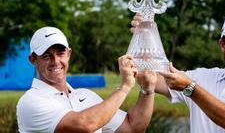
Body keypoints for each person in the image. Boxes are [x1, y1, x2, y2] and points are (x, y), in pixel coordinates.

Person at [131, 11, 225, 133]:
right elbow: (151, 77)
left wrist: (190, 88)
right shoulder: (203, 77)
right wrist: (145, 36)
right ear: (222, 44)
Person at [16, 26, 157, 133]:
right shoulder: (30, 101)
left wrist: (147, 89)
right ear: (33, 59)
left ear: (69, 54)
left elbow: (132, 127)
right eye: (47, 56)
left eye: (61, 53)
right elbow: (85, 125)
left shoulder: (87, 96)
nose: (56, 61)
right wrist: (124, 87)